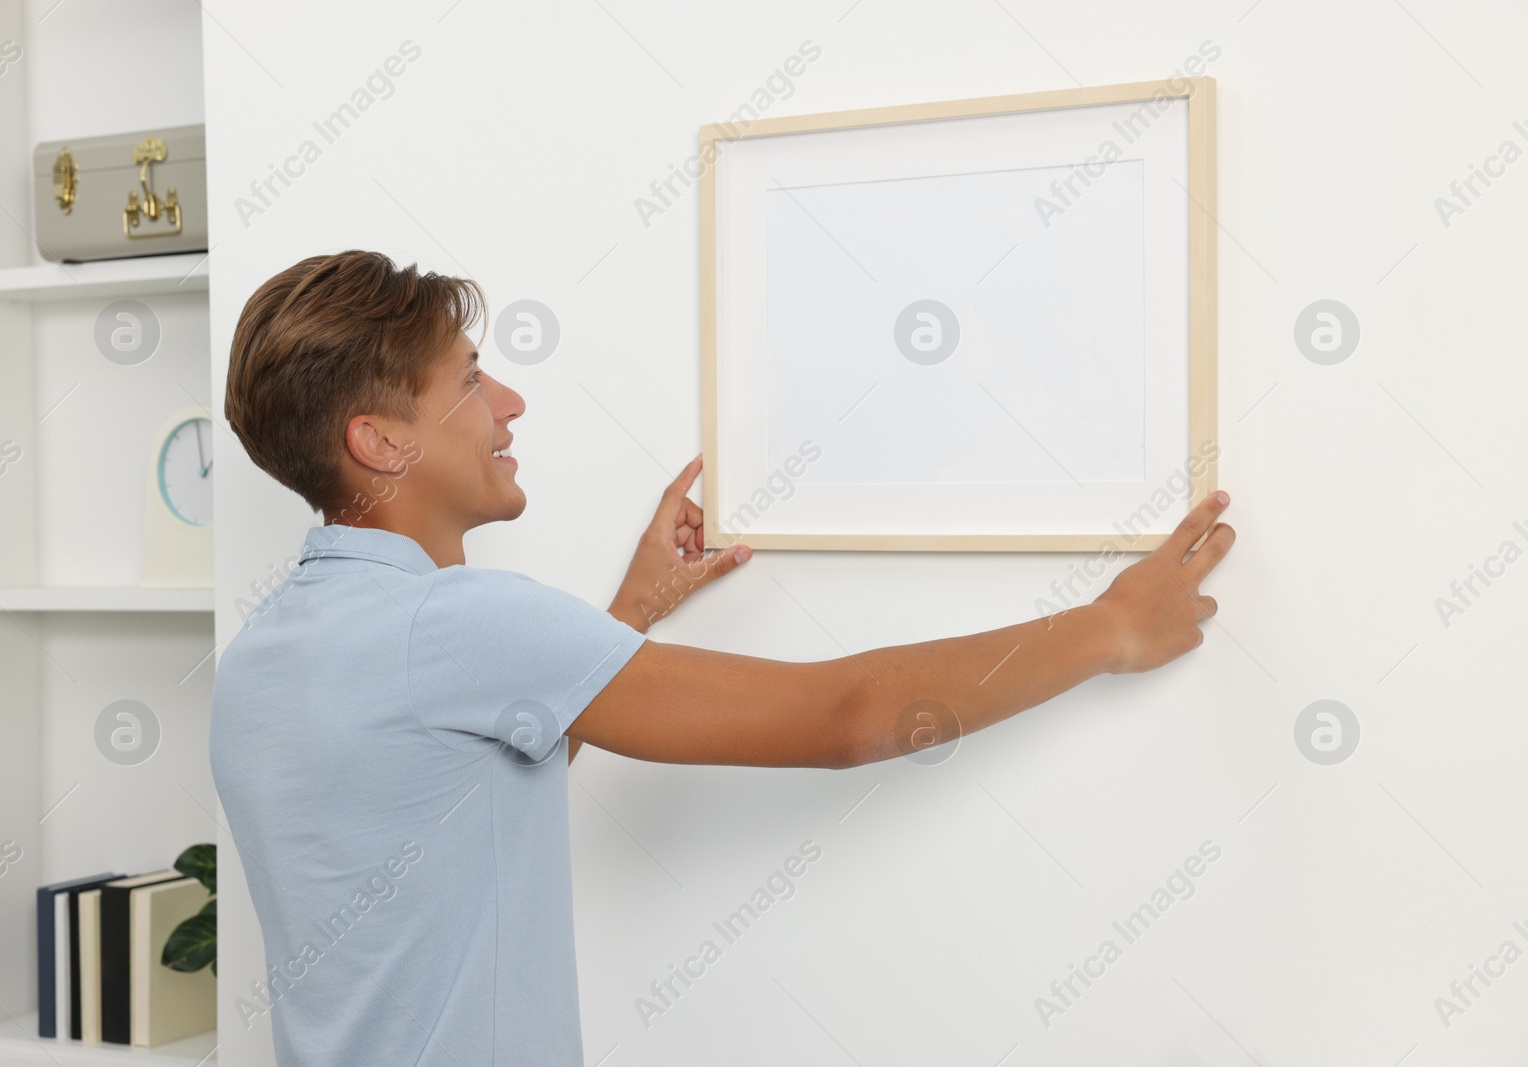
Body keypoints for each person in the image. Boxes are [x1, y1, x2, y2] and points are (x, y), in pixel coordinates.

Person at [210, 250, 1235, 1067]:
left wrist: (631, 611)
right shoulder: (456, 622)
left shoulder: (269, 648)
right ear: (380, 442)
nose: (510, 403)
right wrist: (1110, 625)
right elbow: (848, 715)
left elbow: (450, 795)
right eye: (471, 380)